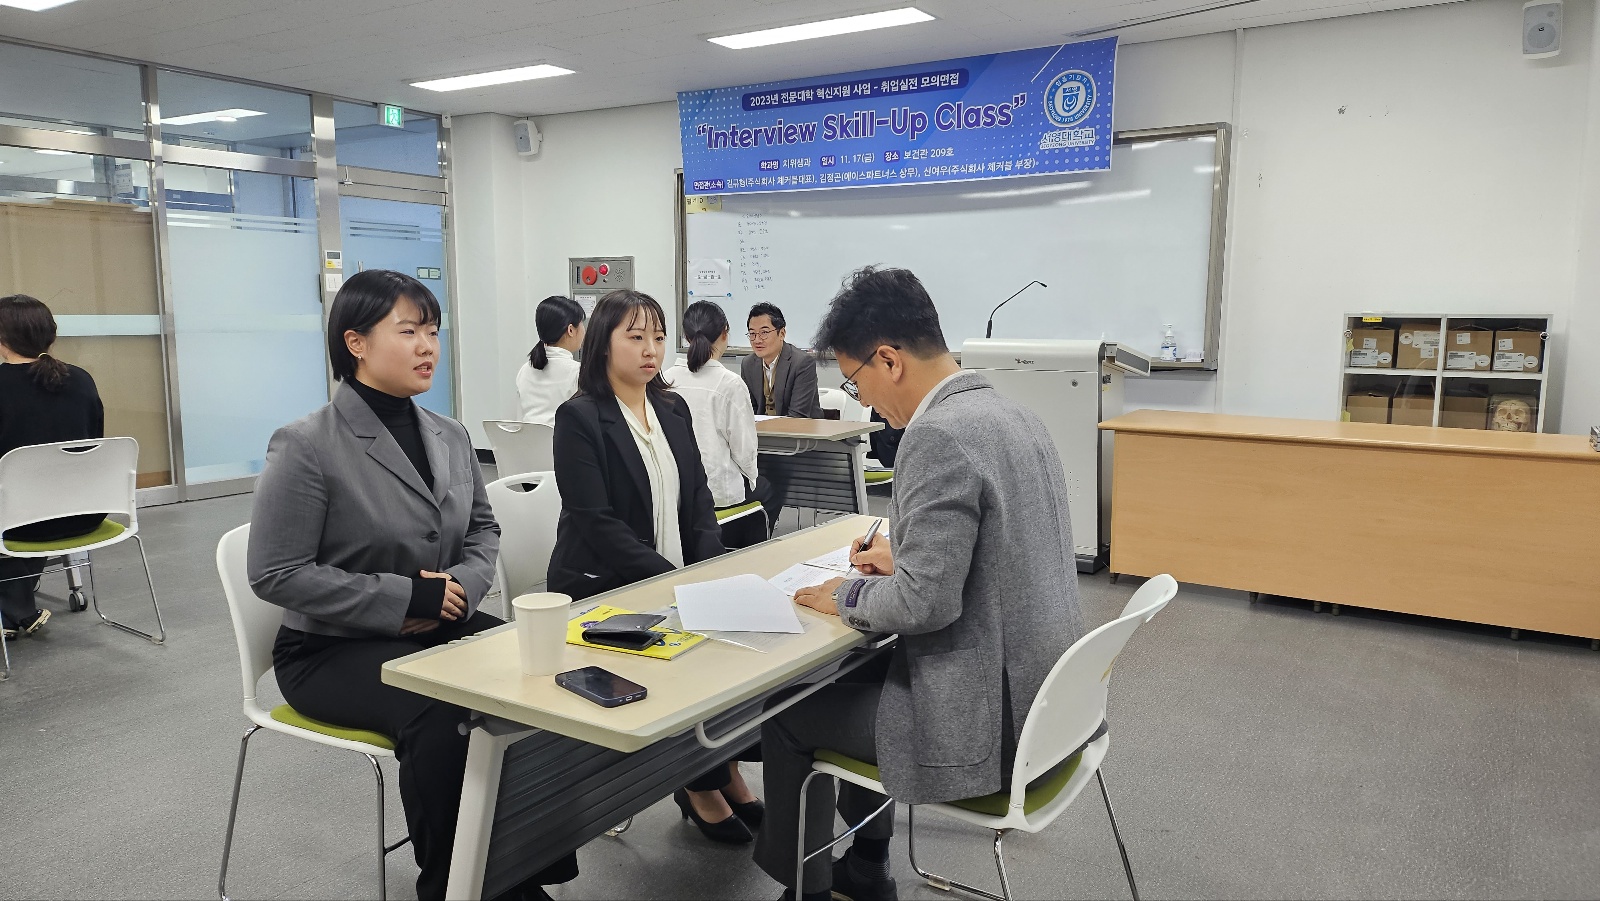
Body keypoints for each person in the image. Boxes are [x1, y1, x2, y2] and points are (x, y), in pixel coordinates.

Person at [752, 267, 1086, 901]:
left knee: (790, 713)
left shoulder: (936, 435)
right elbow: (1006, 545)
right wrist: (904, 553)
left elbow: (923, 604)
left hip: (986, 724)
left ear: (889, 359)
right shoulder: (1013, 414)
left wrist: (844, 595)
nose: (863, 401)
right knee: (848, 678)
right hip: (1046, 706)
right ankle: (866, 868)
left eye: (855, 382)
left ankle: (806, 890)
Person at [248, 269, 576, 901]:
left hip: (439, 624)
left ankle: (522, 865)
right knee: (438, 708)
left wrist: (459, 588)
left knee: (540, 671)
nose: (428, 346)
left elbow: (482, 530)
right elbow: (274, 572)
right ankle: (456, 885)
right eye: (408, 332)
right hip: (330, 650)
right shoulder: (307, 444)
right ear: (356, 343)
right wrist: (401, 598)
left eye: (432, 331)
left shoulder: (449, 433)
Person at [546, 289, 764, 845]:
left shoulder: (671, 407)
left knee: (733, 650)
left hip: (670, 578)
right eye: (636, 337)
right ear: (603, 344)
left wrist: (708, 564)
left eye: (659, 337)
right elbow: (595, 521)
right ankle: (699, 785)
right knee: (693, 659)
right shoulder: (579, 416)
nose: (651, 350)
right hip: (606, 589)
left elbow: (697, 497)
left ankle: (722, 768)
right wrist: (675, 580)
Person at [0, 294, 106, 640]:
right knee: (29, 498)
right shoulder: (81, 379)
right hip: (83, 513)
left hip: (21, 523)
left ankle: (11, 608)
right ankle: (14, 607)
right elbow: (92, 442)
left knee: (17, 503)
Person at [664, 300, 769, 549]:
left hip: (674, 492)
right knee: (767, 488)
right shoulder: (730, 383)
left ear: (686, 336)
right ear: (725, 333)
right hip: (719, 495)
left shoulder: (666, 378)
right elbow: (745, 452)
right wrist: (751, 478)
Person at [740, 302, 821, 418]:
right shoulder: (748, 364)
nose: (757, 340)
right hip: (761, 428)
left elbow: (798, 415)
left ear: (782, 333)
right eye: (752, 333)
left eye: (764, 332)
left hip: (799, 428)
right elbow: (749, 410)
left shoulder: (802, 363)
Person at [515, 295, 586, 427]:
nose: (584, 330)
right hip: (564, 439)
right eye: (582, 324)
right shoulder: (579, 372)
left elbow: (521, 420)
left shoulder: (525, 370)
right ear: (571, 330)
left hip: (529, 439)